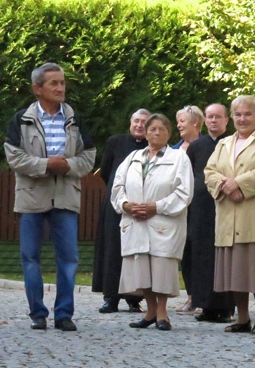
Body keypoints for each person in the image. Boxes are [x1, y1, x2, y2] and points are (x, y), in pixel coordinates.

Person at [4, 63, 95, 331]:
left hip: (66, 195)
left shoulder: (76, 118)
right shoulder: (22, 119)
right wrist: (45, 165)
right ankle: (38, 314)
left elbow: (88, 156)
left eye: (62, 83)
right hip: (32, 197)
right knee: (30, 257)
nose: (60, 88)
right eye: (53, 83)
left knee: (68, 258)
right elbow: (14, 156)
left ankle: (64, 314)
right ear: (37, 89)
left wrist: (68, 166)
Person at [205, 95, 255, 335]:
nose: (242, 118)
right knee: (236, 271)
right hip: (229, 215)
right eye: (238, 114)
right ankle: (242, 317)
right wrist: (225, 187)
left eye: (248, 114)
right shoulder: (224, 143)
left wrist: (240, 185)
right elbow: (210, 171)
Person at [111, 113, 194, 331]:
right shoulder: (132, 158)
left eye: (162, 129)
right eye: (152, 129)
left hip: (163, 222)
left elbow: (184, 192)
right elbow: (117, 187)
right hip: (135, 221)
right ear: (146, 132)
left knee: (162, 268)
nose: (157, 133)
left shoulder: (179, 158)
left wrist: (155, 207)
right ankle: (150, 310)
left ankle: (162, 312)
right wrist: (126, 205)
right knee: (141, 269)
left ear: (169, 133)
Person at [93, 109, 150, 314]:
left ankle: (134, 298)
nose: (139, 125)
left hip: (141, 206)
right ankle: (111, 297)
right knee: (112, 250)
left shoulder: (153, 146)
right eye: (136, 120)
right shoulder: (115, 142)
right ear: (130, 123)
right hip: (116, 204)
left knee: (137, 252)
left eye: (144, 122)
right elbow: (106, 171)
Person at [188, 103, 235, 323]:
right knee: (202, 255)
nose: (214, 121)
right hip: (201, 207)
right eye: (210, 117)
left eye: (218, 117)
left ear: (227, 120)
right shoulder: (197, 146)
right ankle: (205, 304)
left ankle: (226, 307)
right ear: (204, 121)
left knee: (225, 255)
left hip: (227, 203)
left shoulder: (234, 142)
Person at [172, 105, 205, 315]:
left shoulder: (207, 146)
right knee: (186, 252)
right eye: (177, 121)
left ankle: (205, 297)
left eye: (182, 121)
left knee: (201, 251)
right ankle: (192, 297)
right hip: (179, 208)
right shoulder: (174, 149)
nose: (178, 125)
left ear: (195, 123)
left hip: (201, 207)